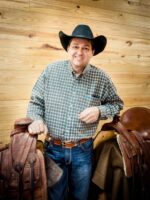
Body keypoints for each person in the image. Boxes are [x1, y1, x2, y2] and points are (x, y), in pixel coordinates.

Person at [27, 24, 124, 200]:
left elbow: (117, 104)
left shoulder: (102, 78)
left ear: (93, 51)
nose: (80, 52)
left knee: (81, 196)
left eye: (86, 48)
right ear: (68, 48)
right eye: (75, 46)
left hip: (83, 151)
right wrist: (36, 119)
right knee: (56, 196)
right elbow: (35, 103)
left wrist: (99, 110)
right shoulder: (51, 71)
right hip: (53, 149)